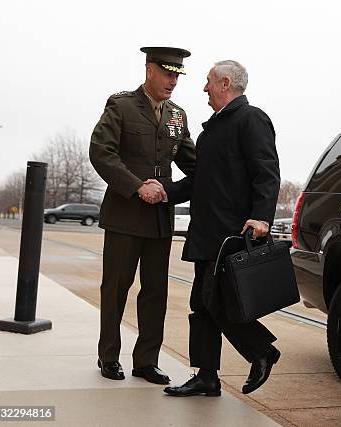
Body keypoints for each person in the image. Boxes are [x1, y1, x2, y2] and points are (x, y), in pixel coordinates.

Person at [155, 60, 281, 397]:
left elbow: (266, 173)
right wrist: (166, 190)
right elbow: (200, 181)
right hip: (208, 232)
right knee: (202, 303)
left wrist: (262, 218)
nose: (204, 88)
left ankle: (261, 351)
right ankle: (207, 376)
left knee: (215, 302)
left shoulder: (250, 119)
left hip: (233, 234)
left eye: (209, 82)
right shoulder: (212, 129)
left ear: (225, 83)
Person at [89, 46, 196, 385]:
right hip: (124, 213)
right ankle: (108, 356)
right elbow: (100, 152)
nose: (173, 81)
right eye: (168, 73)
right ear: (150, 70)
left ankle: (146, 360)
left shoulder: (177, 116)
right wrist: (137, 187)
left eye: (177, 75)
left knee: (155, 292)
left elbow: (194, 163)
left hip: (159, 218)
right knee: (116, 287)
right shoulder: (121, 105)